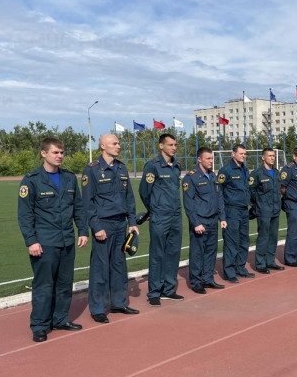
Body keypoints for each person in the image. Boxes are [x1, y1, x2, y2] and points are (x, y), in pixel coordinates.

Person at [17, 137, 88, 343]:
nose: (59, 156)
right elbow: (25, 214)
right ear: (43, 153)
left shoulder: (69, 178)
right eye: (55, 152)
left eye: (62, 153)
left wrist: (82, 230)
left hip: (66, 240)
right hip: (45, 242)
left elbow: (78, 208)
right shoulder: (31, 180)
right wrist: (31, 240)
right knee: (44, 285)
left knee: (65, 284)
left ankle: (60, 319)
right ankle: (39, 325)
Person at [82, 134, 140, 323]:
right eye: (114, 143)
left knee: (119, 266)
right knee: (100, 268)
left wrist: (132, 222)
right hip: (103, 225)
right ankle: (98, 308)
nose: (118, 146)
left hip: (120, 224)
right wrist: (96, 226)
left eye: (118, 143)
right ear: (102, 146)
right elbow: (88, 203)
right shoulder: (92, 170)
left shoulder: (121, 168)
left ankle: (118, 303)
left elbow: (129, 198)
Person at [139, 133, 184, 306]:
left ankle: (168, 289)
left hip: (175, 215)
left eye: (175, 145)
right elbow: (144, 191)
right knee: (157, 254)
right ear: (161, 146)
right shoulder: (153, 166)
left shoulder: (177, 166)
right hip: (160, 216)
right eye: (170, 145)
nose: (174, 147)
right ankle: (154, 292)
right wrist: (154, 210)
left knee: (173, 253)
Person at [182, 147, 227, 294]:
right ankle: (196, 281)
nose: (211, 161)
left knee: (210, 251)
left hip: (213, 219)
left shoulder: (213, 176)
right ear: (199, 159)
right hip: (200, 220)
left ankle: (208, 279)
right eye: (208, 158)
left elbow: (219, 198)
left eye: (212, 158)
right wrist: (196, 223)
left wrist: (222, 218)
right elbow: (188, 203)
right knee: (197, 252)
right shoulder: (191, 177)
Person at [218, 143, 254, 283]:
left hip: (243, 210)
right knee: (231, 242)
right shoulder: (226, 170)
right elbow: (219, 193)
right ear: (233, 154)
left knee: (244, 241)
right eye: (241, 154)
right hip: (231, 210)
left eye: (245, 154)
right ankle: (229, 272)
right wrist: (222, 215)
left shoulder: (244, 169)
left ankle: (240, 268)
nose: (243, 156)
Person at [250, 147, 285, 273]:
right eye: (269, 155)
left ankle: (270, 261)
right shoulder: (257, 173)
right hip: (263, 210)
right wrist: (258, 204)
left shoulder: (276, 172)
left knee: (273, 237)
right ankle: (260, 264)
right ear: (263, 157)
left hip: (275, 210)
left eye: (273, 156)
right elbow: (251, 191)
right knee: (263, 237)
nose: (272, 158)